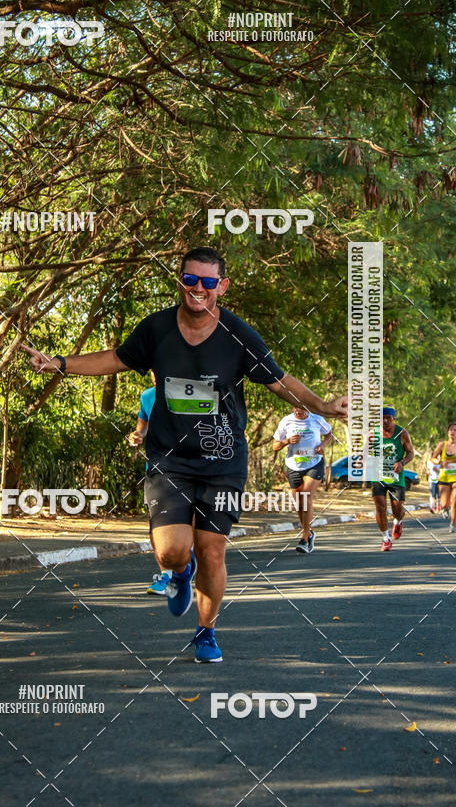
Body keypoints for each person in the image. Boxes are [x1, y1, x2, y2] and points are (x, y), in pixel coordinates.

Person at [22, 247, 347, 663]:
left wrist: (321, 406)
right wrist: (59, 363)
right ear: (179, 281)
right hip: (169, 459)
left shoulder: (238, 335)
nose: (198, 288)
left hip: (224, 460)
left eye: (208, 282)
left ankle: (206, 632)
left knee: (212, 549)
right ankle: (178, 572)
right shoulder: (156, 329)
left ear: (221, 287)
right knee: (170, 551)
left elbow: (279, 380)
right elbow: (116, 358)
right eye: (190, 279)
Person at [127, 372, 173, 595]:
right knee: (156, 526)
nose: (157, 374)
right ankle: (166, 576)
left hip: (191, 469)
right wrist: (137, 436)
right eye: (154, 370)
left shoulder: (188, 392)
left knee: (187, 525)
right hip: (156, 468)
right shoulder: (147, 396)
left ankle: (183, 565)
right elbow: (142, 426)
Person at [272, 406, 333, 554]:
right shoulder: (286, 421)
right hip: (294, 464)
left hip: (314, 463)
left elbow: (329, 435)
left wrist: (322, 446)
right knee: (299, 503)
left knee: (306, 497)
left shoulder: (317, 419)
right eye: (295, 409)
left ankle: (304, 538)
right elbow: (275, 446)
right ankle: (309, 532)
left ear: (307, 407)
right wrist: (286, 441)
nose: (298, 411)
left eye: (301, 409)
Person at [370, 405, 414, 551]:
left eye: (388, 418)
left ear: (393, 419)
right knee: (380, 507)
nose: (385, 421)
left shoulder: (402, 434)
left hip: (396, 477)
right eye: (381, 418)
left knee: (397, 509)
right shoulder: (373, 434)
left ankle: (398, 521)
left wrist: (402, 462)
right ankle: (386, 538)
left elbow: (410, 453)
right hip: (378, 476)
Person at [431, 422, 456, 533]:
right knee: (445, 503)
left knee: (455, 500)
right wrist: (440, 462)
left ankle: (452, 524)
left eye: (455, 430)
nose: (453, 432)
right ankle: (445, 507)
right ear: (448, 432)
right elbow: (433, 458)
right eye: (451, 430)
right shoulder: (442, 445)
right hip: (444, 478)